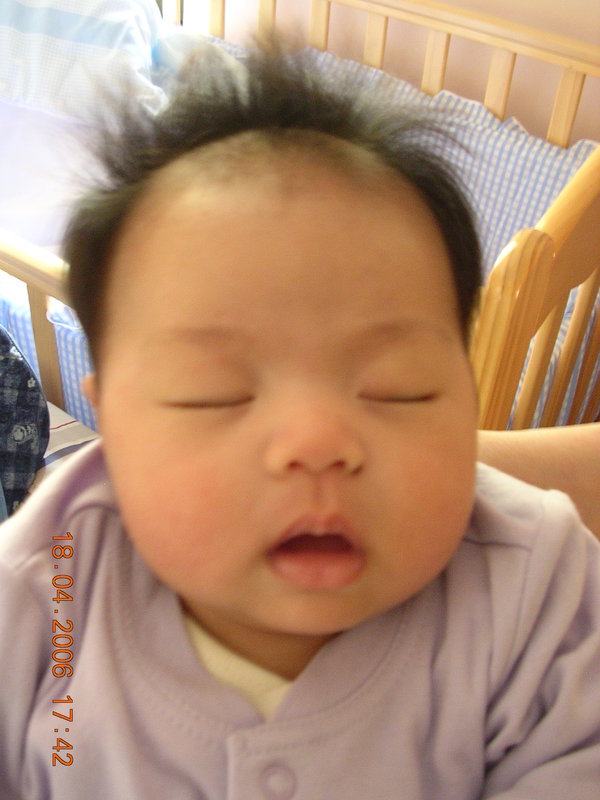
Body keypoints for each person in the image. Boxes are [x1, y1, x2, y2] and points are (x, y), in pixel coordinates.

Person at [0, 44, 598, 799]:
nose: (317, 442)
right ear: (113, 425)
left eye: (399, 388)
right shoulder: (43, 592)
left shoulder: (541, 593)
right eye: (214, 393)